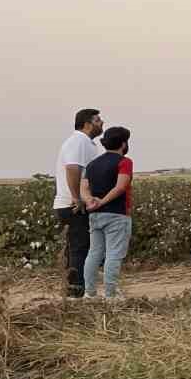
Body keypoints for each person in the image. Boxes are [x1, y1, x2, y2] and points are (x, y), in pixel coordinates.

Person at [53, 108, 102, 298]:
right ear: (87, 124)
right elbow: (73, 168)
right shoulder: (79, 141)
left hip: (71, 203)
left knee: (76, 247)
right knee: (80, 248)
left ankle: (72, 288)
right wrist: (77, 197)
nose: (102, 123)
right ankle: (76, 291)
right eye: (98, 120)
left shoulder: (85, 142)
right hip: (73, 204)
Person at [80, 126, 134, 302]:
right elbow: (120, 187)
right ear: (123, 143)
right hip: (117, 214)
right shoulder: (124, 162)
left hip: (95, 215)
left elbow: (84, 188)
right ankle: (111, 294)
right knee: (114, 255)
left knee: (94, 253)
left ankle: (89, 293)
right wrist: (103, 201)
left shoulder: (92, 164)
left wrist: (90, 201)